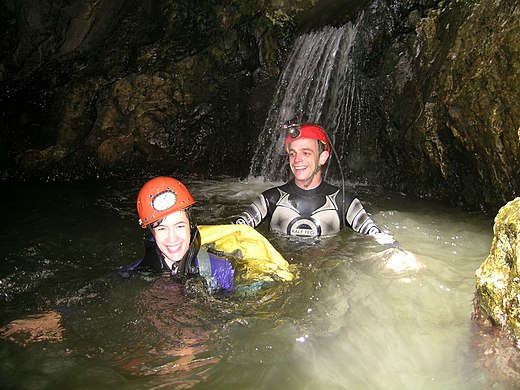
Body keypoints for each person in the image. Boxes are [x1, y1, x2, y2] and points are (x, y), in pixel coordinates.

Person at [234, 122, 394, 244]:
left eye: (306, 153)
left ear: (322, 158)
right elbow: (234, 231)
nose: (297, 160)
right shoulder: (270, 199)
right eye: (292, 153)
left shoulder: (344, 202)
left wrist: (397, 253)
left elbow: (377, 236)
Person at [126, 176, 235, 292]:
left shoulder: (220, 269)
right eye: (162, 229)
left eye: (180, 226)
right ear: (152, 232)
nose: (172, 238)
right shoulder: (134, 273)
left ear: (191, 226)